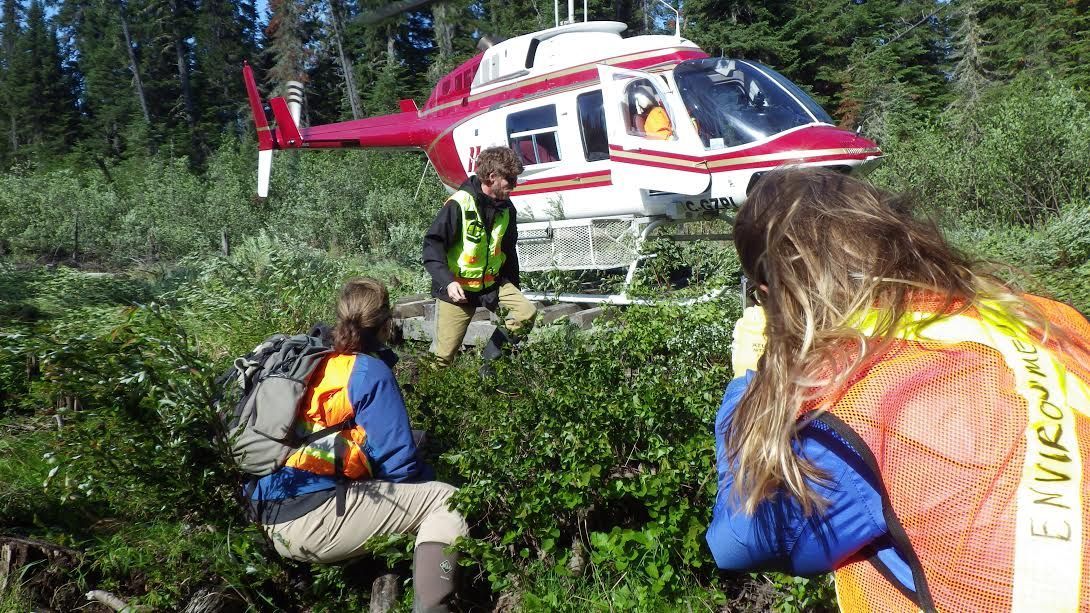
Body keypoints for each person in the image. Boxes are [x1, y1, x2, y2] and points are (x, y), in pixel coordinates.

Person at [707, 167, 1090, 611]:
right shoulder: (1042, 315)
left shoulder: (858, 399)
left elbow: (741, 541)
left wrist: (747, 381)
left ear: (771, 293)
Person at [250, 278, 468, 613]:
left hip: (264, 509)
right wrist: (431, 474)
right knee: (446, 501)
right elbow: (400, 468)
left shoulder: (311, 358)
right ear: (386, 323)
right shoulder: (368, 371)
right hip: (308, 522)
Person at [422, 146, 537, 368]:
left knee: (526, 312)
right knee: (443, 358)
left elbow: (508, 250)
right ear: (492, 177)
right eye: (510, 179)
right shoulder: (460, 203)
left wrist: (514, 288)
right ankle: (427, 397)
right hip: (458, 290)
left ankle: (489, 364)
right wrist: (447, 282)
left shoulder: (507, 208)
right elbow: (432, 245)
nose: (514, 185)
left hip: (492, 284)